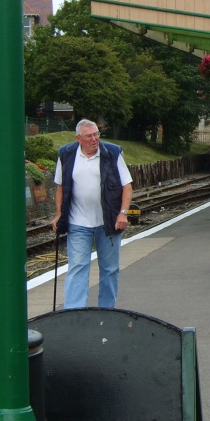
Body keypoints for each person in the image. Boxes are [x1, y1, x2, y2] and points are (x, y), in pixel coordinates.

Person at [51, 119, 133, 309]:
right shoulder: (66, 154)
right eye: (89, 136)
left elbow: (127, 186)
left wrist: (123, 213)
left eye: (96, 134)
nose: (94, 139)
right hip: (78, 222)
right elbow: (61, 188)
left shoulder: (112, 153)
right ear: (78, 138)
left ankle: (106, 310)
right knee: (78, 267)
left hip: (109, 222)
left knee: (110, 269)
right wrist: (59, 214)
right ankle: (74, 311)